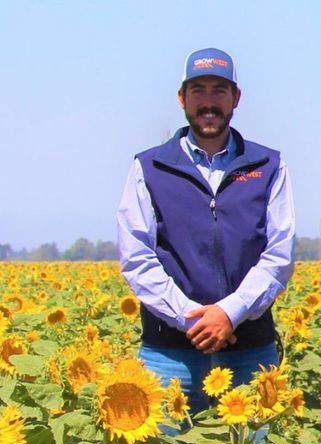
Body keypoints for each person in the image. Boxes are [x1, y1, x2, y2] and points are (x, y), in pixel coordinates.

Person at [117, 48, 295, 413]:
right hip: (169, 356)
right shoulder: (149, 167)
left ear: (236, 98)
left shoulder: (268, 164)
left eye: (219, 90)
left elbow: (279, 255)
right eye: (198, 90)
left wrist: (229, 313)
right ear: (182, 98)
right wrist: (192, 319)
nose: (208, 102)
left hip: (250, 353)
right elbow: (137, 258)